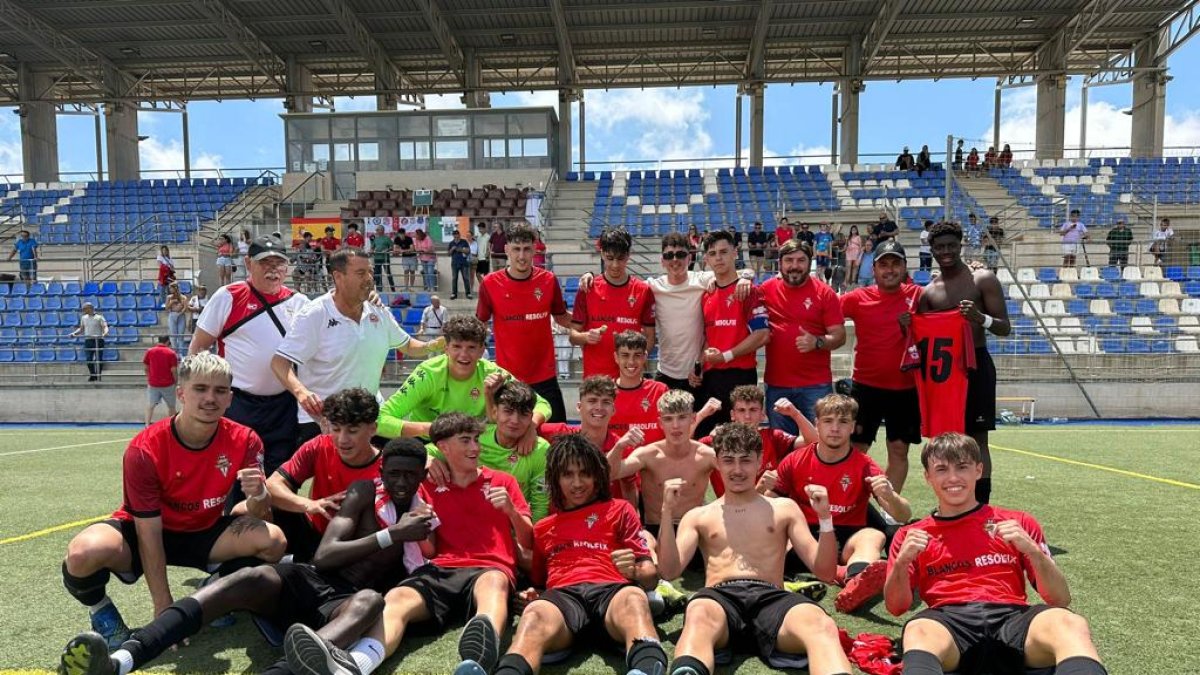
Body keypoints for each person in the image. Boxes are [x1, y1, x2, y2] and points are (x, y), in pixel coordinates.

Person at [56, 437, 434, 675]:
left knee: (371, 600)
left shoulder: (430, 513)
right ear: (382, 470)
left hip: (345, 606)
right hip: (313, 581)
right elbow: (324, 557)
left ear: (423, 476)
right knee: (250, 577)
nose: (401, 483)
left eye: (410, 476)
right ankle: (121, 661)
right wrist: (392, 535)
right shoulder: (364, 492)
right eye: (394, 474)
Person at [59, 353, 286, 649]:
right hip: (148, 530)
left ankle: (214, 592)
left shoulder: (246, 439)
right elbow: (148, 532)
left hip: (204, 530)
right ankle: (102, 612)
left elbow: (261, 514)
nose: (210, 398)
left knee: (274, 541)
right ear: (181, 393)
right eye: (200, 389)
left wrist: (259, 495)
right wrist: (164, 608)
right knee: (82, 553)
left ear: (230, 398)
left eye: (220, 391)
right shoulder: (145, 449)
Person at [885, 433, 1108, 675]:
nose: (953, 478)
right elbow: (896, 607)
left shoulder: (1018, 522)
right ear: (928, 477)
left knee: (1070, 623)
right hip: (948, 624)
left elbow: (1060, 598)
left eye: (962, 467)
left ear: (978, 471)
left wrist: (1033, 551)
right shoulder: (911, 535)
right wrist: (902, 563)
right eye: (941, 469)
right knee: (918, 631)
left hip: (1013, 619)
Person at [657, 422, 852, 675]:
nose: (737, 470)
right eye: (729, 460)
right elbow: (669, 571)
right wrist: (666, 511)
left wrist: (825, 518)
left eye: (746, 460)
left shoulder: (784, 509)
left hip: (773, 598)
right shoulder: (698, 516)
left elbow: (825, 572)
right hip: (720, 600)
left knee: (820, 623)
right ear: (717, 462)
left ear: (760, 461)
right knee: (698, 613)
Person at [359, 412, 535, 675]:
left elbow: (528, 541)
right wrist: (418, 525)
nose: (475, 447)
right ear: (443, 447)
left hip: (490, 568)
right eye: (465, 440)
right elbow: (430, 550)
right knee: (396, 597)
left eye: (476, 439)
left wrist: (511, 512)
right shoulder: (426, 486)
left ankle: (477, 662)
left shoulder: (502, 481)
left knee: (494, 584)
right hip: (440, 569)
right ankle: (355, 663)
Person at [489, 433, 667, 675]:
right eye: (568, 474)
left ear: (597, 476)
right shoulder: (543, 528)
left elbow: (651, 577)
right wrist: (531, 594)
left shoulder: (620, 509)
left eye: (585, 473)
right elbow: (540, 582)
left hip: (612, 592)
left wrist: (635, 571)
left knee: (634, 599)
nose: (577, 483)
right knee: (534, 615)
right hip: (564, 598)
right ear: (555, 479)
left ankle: (645, 668)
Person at [272, 248, 441, 448]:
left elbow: (408, 345)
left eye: (370, 272)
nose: (369, 278)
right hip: (323, 421)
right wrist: (301, 392)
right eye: (361, 273)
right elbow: (279, 362)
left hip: (370, 417)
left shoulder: (378, 310)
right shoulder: (314, 314)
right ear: (338, 277)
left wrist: (435, 345)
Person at [771, 394, 912, 614]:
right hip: (806, 538)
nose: (835, 428)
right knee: (777, 533)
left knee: (874, 536)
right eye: (828, 421)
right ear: (817, 424)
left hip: (848, 537)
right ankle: (842, 574)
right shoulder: (795, 460)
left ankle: (856, 582)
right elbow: (769, 504)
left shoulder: (864, 465)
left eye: (843, 422)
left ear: (852, 427)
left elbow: (903, 515)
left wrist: (891, 497)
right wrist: (761, 490)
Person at [190, 236, 309, 481]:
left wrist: (369, 302)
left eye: (279, 263)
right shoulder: (228, 296)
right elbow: (198, 348)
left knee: (280, 478)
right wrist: (197, 395)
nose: (273, 270)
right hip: (238, 404)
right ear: (248, 263)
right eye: (265, 263)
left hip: (284, 407)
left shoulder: (299, 303)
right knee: (235, 477)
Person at [916, 221, 1010, 504]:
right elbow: (922, 337)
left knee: (978, 439)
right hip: (944, 372)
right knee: (944, 440)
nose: (946, 251)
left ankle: (981, 506)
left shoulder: (983, 279)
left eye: (951, 246)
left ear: (961, 246)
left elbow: (1004, 327)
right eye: (939, 247)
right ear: (932, 250)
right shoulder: (929, 293)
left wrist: (981, 319)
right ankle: (950, 504)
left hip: (976, 365)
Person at [376, 315, 550, 445]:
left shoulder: (493, 374)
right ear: (446, 348)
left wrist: (530, 427)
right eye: (457, 347)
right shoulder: (427, 374)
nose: (464, 355)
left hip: (475, 444)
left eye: (471, 348)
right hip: (430, 442)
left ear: (482, 350)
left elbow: (542, 404)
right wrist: (432, 429)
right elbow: (380, 420)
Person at [840, 240, 923, 491]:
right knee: (856, 448)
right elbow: (824, 308)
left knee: (898, 449)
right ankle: (852, 504)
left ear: (905, 267)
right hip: (866, 387)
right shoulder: (857, 298)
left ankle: (889, 507)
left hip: (906, 388)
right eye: (884, 264)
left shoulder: (919, 296)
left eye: (895, 263)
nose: (890, 270)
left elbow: (949, 297)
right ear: (873, 269)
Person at [265, 387, 383, 562]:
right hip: (312, 533)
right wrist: (309, 504)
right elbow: (272, 485)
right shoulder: (319, 446)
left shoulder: (387, 469)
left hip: (357, 548)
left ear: (373, 429)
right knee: (248, 507)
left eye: (352, 431)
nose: (342, 439)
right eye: (336, 429)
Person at [477, 222, 573, 422]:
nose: (521, 256)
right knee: (511, 436)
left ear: (535, 249)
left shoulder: (548, 280)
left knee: (557, 435)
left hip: (545, 378)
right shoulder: (490, 284)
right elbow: (479, 326)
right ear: (506, 250)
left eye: (527, 249)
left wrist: (592, 321)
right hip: (508, 380)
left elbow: (562, 317)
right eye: (516, 249)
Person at [429, 383, 551, 522]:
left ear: (531, 417)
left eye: (524, 414)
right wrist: (427, 459)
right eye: (508, 411)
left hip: (513, 527)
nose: (515, 421)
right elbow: (434, 449)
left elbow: (540, 506)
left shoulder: (540, 449)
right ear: (494, 412)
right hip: (468, 522)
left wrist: (529, 536)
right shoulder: (476, 437)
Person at [759, 239, 845, 432]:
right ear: (780, 263)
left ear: (809, 263)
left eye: (801, 260)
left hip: (816, 385)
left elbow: (840, 336)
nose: (794, 266)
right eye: (789, 260)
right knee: (783, 444)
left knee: (820, 442)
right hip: (777, 385)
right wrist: (744, 278)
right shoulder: (765, 290)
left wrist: (817, 342)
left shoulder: (825, 293)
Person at [608, 390, 714, 539]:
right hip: (655, 530)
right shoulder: (648, 455)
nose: (675, 425)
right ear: (660, 423)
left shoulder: (706, 455)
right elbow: (609, 474)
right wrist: (619, 447)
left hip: (693, 531)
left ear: (693, 418)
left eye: (682, 417)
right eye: (668, 419)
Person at [696, 230, 769, 438]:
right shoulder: (707, 294)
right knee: (709, 439)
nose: (718, 258)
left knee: (741, 439)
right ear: (706, 258)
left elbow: (762, 334)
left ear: (735, 253)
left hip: (741, 375)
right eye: (712, 253)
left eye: (723, 252)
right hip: (712, 378)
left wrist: (726, 356)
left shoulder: (748, 290)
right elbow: (709, 337)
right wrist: (700, 364)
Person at [693, 385, 815, 497]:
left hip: (765, 507)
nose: (747, 416)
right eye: (741, 410)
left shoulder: (773, 437)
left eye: (753, 410)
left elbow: (813, 442)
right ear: (732, 414)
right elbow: (683, 446)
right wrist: (701, 414)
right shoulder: (717, 440)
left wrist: (795, 414)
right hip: (727, 509)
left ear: (762, 414)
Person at [569, 228, 656, 379]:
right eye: (610, 258)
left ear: (628, 255)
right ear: (602, 254)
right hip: (595, 379)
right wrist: (586, 336)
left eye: (620, 258)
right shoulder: (588, 288)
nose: (615, 265)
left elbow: (650, 336)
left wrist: (638, 361)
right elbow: (573, 335)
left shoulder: (643, 290)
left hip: (629, 380)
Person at [609, 330, 669, 447]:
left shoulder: (660, 391)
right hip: (616, 457)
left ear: (645, 357)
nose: (631, 361)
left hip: (653, 458)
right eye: (625, 355)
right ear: (616, 357)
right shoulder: (605, 393)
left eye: (637, 355)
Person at [142, 336, 179, 427]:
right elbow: (174, 370)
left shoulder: (150, 351)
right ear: (168, 342)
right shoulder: (171, 353)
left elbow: (146, 367)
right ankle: (172, 425)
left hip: (153, 384)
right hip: (168, 384)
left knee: (150, 405)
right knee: (171, 406)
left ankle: (147, 425)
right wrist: (176, 381)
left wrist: (149, 377)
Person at [72, 302, 109, 382]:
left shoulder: (99, 317)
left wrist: (105, 333)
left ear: (90, 308)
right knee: (89, 359)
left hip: (98, 340)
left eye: (85, 308)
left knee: (98, 359)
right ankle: (93, 374)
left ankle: (98, 375)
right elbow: (81, 329)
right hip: (88, 340)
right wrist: (74, 333)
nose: (83, 310)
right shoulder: (84, 318)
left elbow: (105, 326)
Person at [163, 282, 188, 353]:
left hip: (181, 315)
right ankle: (175, 352)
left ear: (175, 288)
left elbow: (185, 307)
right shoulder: (169, 297)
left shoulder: (183, 297)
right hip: (172, 315)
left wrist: (180, 312)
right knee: (173, 335)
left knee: (180, 335)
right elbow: (166, 308)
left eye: (171, 288)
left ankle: (181, 352)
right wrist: (171, 302)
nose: (170, 290)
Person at [448, 229, 473, 300]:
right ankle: (454, 293)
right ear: (453, 236)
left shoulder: (464, 242)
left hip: (464, 263)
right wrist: (452, 249)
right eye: (455, 235)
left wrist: (461, 250)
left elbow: (468, 251)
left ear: (459, 235)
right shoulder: (451, 243)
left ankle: (468, 293)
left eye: (457, 235)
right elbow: (448, 254)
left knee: (466, 278)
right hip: (454, 263)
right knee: (454, 278)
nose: (456, 236)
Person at [370, 224, 395, 293]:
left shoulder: (387, 238)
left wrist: (387, 250)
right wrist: (372, 251)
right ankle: (379, 289)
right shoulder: (375, 239)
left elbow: (392, 247)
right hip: (377, 258)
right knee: (377, 274)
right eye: (376, 230)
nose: (376, 231)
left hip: (385, 258)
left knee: (388, 273)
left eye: (378, 230)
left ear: (382, 230)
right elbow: (372, 247)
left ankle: (393, 289)